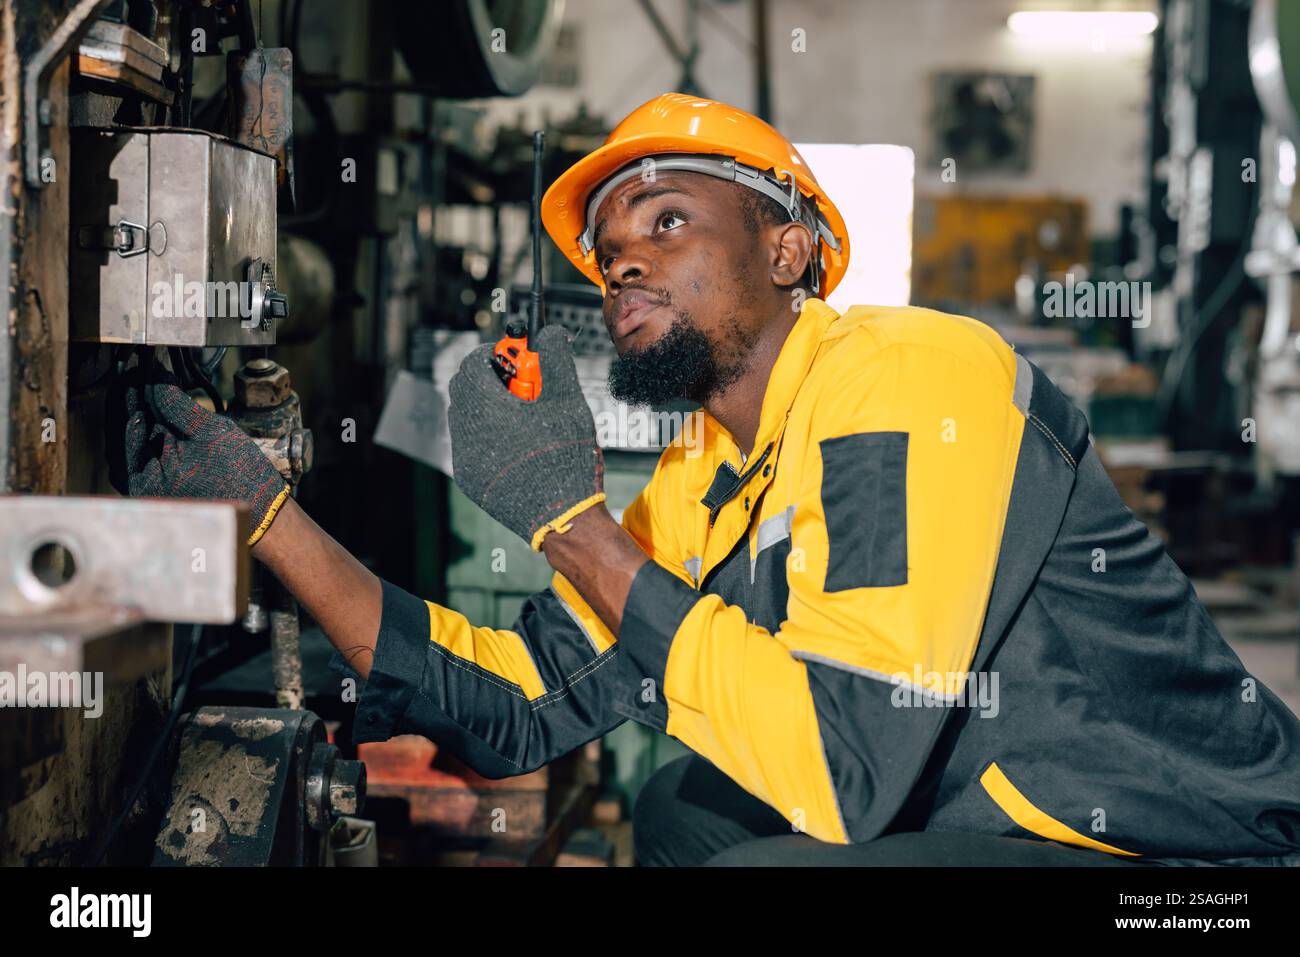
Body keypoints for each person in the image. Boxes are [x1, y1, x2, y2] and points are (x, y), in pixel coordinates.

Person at [108, 92, 1300, 867]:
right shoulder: (707, 471)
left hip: (1176, 848)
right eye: (610, 252)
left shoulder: (908, 380)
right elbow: (525, 698)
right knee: (682, 812)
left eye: (669, 221)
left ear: (788, 250)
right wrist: (269, 518)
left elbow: (844, 771)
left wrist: (570, 522)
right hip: (978, 807)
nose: (625, 259)